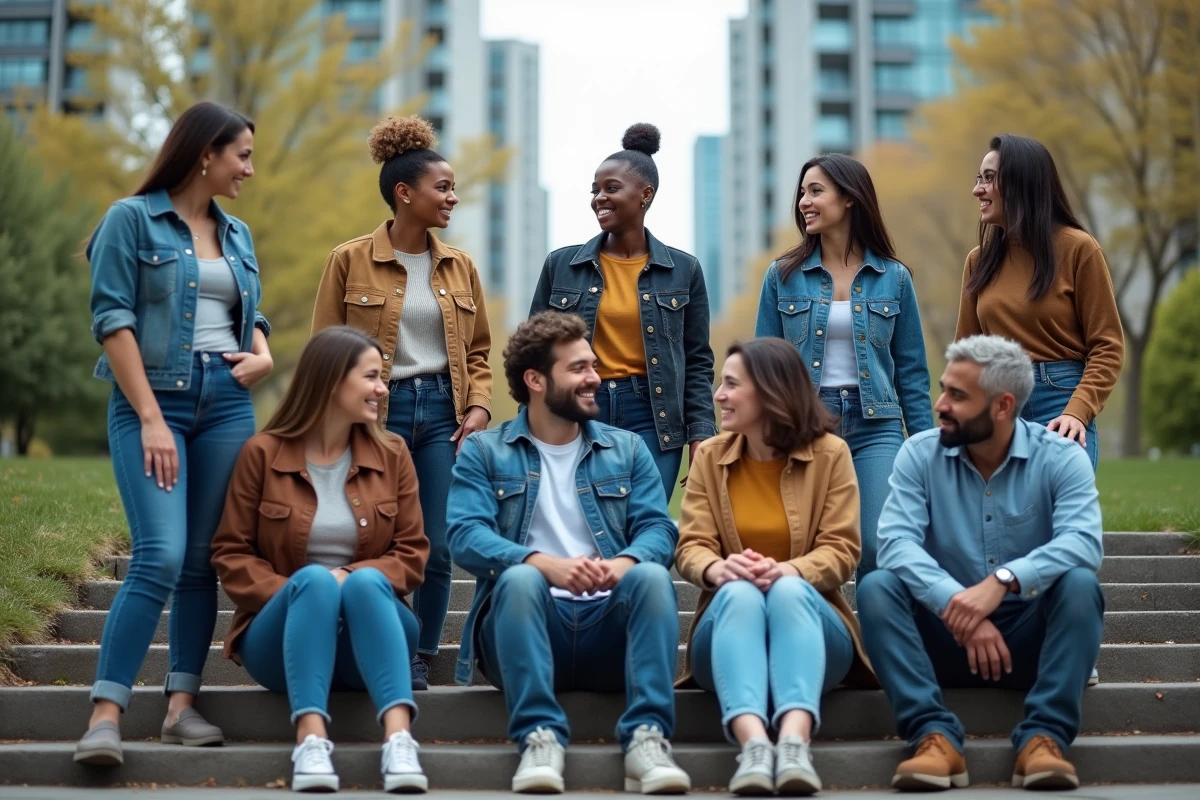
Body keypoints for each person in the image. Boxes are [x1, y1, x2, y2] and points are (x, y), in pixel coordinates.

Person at [75, 101, 274, 766]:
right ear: (205, 154)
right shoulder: (130, 220)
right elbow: (112, 319)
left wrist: (264, 354)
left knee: (201, 559)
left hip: (228, 404)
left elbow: (252, 312)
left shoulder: (237, 233)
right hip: (152, 398)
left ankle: (181, 706)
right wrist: (152, 417)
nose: (249, 169)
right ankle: (105, 715)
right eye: (241, 155)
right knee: (159, 554)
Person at [446, 312, 691, 795]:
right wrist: (541, 564)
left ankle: (647, 739)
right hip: (524, 630)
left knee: (649, 576)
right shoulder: (485, 452)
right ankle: (539, 738)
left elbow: (659, 529)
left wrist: (624, 564)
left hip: (609, 634)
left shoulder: (628, 449)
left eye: (593, 366)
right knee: (520, 577)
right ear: (536, 380)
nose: (595, 378)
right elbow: (464, 534)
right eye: (578, 368)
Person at [857, 335, 1104, 792]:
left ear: (1003, 405)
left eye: (957, 395)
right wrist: (958, 604)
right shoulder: (919, 454)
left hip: (1029, 644)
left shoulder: (1061, 457)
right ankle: (932, 736)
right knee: (877, 587)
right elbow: (894, 544)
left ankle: (1045, 739)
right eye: (943, 390)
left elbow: (1084, 541)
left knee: (1079, 585)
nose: (940, 405)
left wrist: (1004, 581)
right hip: (941, 641)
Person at [312, 115, 492, 691]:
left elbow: (480, 351)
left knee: (436, 546)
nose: (453, 197)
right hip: (374, 415)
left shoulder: (460, 266)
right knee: (376, 538)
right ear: (404, 193)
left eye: (453, 188)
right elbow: (326, 350)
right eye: (443, 187)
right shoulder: (348, 260)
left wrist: (479, 408)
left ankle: (419, 653)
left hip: (443, 415)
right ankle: (381, 642)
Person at [211, 326, 431, 793]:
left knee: (363, 582)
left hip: (371, 634)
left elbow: (412, 554)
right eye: (371, 377)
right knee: (313, 581)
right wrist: (302, 593)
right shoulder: (262, 454)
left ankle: (399, 740)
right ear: (332, 381)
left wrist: (346, 577)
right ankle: (311, 741)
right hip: (281, 641)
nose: (382, 389)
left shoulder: (393, 454)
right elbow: (231, 553)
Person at [676, 338, 874, 796]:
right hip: (726, 631)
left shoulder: (831, 454)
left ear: (770, 392)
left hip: (814, 630)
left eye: (730, 384)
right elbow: (692, 546)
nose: (719, 395)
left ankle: (793, 744)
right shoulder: (710, 457)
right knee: (740, 590)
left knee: (786, 589)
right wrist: (719, 570)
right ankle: (753, 748)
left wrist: (789, 572)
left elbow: (842, 549)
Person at [755, 154, 931, 580]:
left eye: (816, 191)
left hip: (878, 426)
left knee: (878, 544)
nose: (804, 202)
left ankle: (875, 625)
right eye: (802, 193)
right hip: (807, 424)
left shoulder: (894, 277)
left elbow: (912, 373)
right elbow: (763, 368)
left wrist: (928, 448)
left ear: (849, 198)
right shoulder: (782, 276)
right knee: (805, 546)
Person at [529, 123, 716, 503]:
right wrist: (530, 423)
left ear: (645, 194)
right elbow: (534, 353)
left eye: (611, 188)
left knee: (644, 519)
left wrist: (702, 434)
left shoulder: (684, 270)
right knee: (585, 520)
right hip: (580, 407)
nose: (599, 198)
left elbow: (697, 361)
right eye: (595, 190)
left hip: (655, 415)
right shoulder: (560, 266)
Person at [957, 134, 1124, 472]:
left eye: (988, 178)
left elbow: (1107, 347)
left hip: (1061, 405)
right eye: (978, 178)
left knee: (1057, 502)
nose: (977, 190)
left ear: (1022, 182)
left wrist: (1077, 412)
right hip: (997, 408)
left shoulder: (1079, 249)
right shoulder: (978, 261)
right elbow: (967, 355)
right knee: (999, 506)